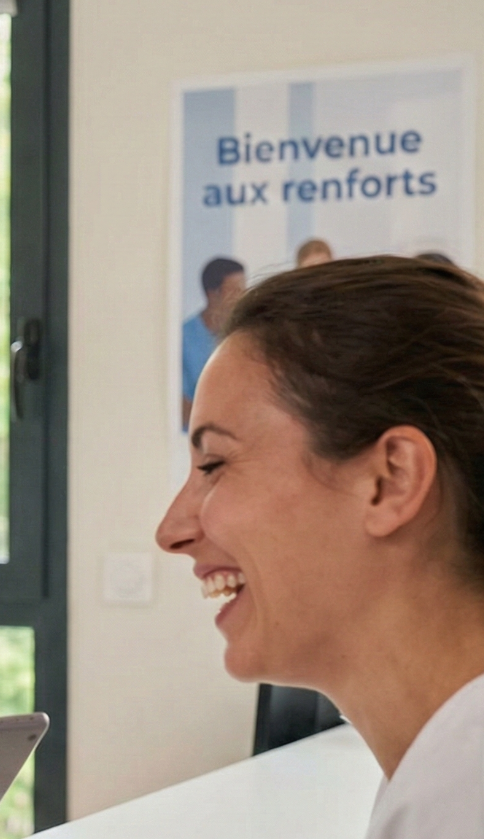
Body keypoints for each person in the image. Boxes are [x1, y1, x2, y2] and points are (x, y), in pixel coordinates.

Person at [157, 256, 484, 837]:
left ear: (391, 480)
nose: (171, 531)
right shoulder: (441, 782)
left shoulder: (461, 800)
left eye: (214, 463)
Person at [180, 256, 245, 428]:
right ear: (213, 295)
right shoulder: (184, 338)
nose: (242, 298)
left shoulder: (243, 337)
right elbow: (178, 407)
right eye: (236, 291)